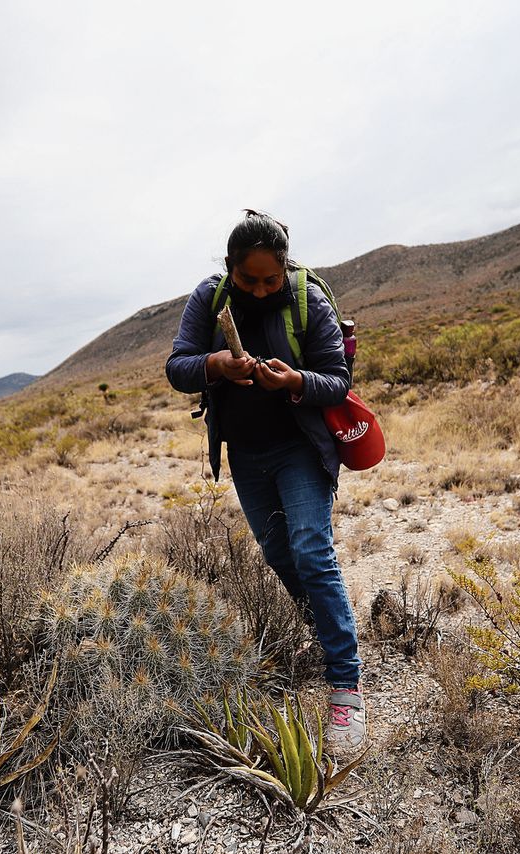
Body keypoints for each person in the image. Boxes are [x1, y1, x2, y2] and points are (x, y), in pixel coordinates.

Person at [165, 210, 367, 754]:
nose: (258, 290)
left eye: (269, 280)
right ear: (229, 269)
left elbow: (338, 380)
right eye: (247, 279)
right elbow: (177, 366)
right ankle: (330, 631)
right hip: (245, 454)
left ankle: (345, 686)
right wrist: (215, 365)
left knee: (309, 548)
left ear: (284, 270)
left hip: (300, 448)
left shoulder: (308, 300)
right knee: (279, 554)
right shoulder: (209, 299)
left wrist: (295, 379)